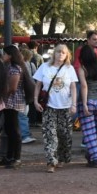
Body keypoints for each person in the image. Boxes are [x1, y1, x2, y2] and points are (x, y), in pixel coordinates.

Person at [33, 44, 78, 173]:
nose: (60, 54)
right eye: (58, 52)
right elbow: (38, 85)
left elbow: (73, 87)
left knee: (64, 135)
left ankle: (62, 158)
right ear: (54, 53)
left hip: (65, 107)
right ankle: (51, 161)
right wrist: (36, 101)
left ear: (67, 55)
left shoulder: (69, 69)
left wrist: (74, 104)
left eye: (63, 52)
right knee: (50, 134)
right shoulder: (45, 67)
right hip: (49, 106)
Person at [0, 45, 32, 169]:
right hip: (10, 101)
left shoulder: (15, 68)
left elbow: (12, 87)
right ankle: (10, 156)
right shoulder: (11, 67)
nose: (3, 56)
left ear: (10, 55)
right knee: (9, 129)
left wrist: (1, 94)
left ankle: (16, 157)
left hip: (13, 101)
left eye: (5, 54)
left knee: (14, 129)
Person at [77, 42, 97, 168]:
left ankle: (95, 158)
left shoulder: (82, 69)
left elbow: (84, 86)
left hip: (88, 101)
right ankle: (90, 156)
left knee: (89, 132)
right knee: (94, 131)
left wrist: (84, 104)